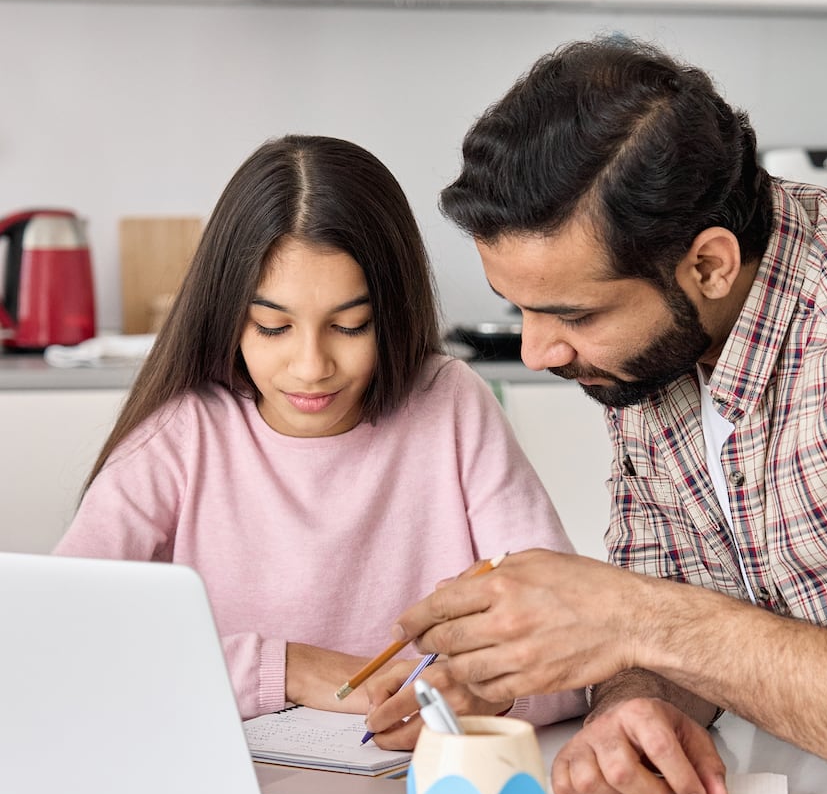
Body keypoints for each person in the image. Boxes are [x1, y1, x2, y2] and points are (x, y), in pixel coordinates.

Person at [378, 37, 827, 794]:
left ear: (710, 265)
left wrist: (632, 617)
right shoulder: (655, 346)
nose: (536, 349)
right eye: (520, 308)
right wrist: (634, 708)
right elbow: (673, 601)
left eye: (574, 313)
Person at [55, 134, 584, 740]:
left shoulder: (450, 402)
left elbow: (573, 644)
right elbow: (58, 638)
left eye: (349, 325)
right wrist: (285, 669)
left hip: (419, 777)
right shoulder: (185, 431)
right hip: (237, 786)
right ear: (228, 315)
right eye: (273, 326)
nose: (311, 367)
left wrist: (488, 700)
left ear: (392, 314)